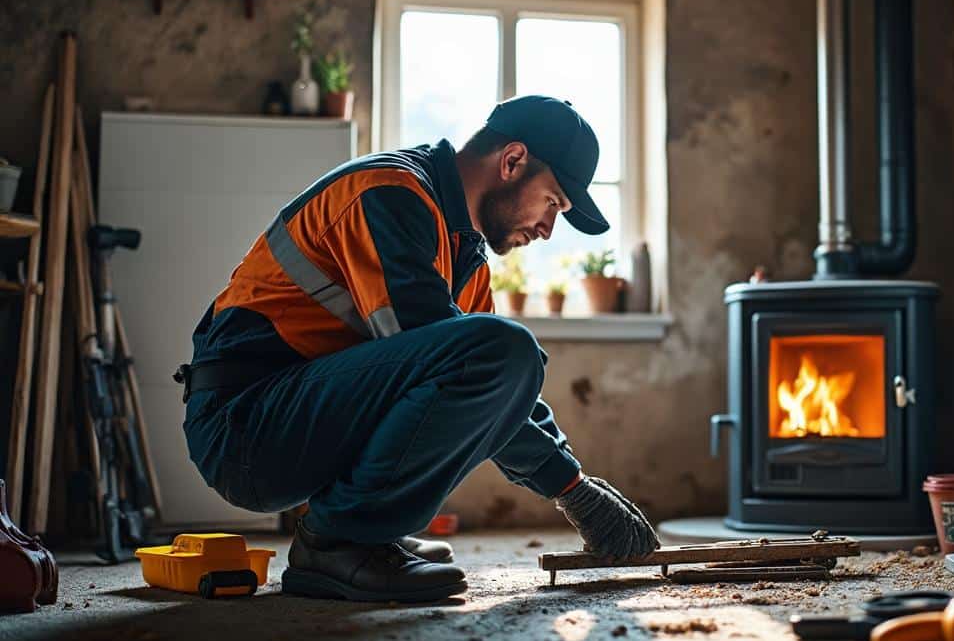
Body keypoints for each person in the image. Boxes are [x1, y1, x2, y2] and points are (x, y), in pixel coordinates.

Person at [174, 95, 659, 602]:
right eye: (553, 203)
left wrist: (575, 485)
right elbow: (462, 353)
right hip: (245, 428)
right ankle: (340, 541)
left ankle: (364, 528)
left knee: (499, 355)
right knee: (502, 350)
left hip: (297, 417)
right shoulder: (389, 194)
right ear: (512, 161)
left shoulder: (464, 257)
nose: (546, 228)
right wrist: (570, 488)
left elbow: (493, 386)